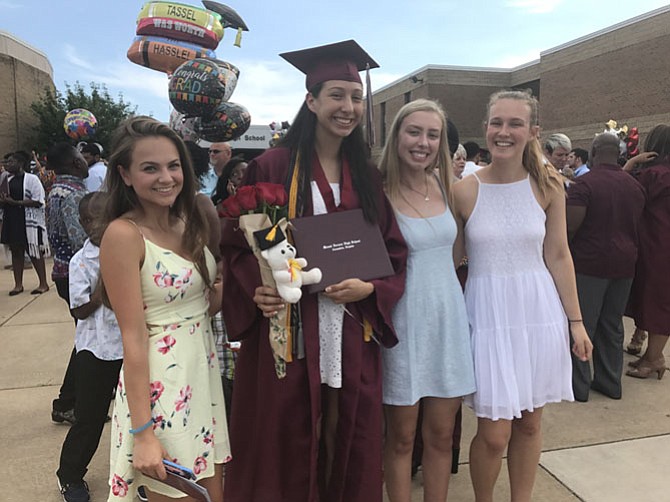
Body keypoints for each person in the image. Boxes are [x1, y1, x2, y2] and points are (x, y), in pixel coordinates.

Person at [220, 40, 407, 502]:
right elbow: (236, 245)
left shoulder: (366, 172)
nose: (348, 107)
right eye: (337, 95)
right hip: (291, 326)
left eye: (356, 97)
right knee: (289, 428)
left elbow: (393, 249)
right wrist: (256, 289)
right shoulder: (274, 165)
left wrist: (372, 286)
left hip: (350, 324)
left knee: (347, 428)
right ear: (311, 101)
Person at [452, 90, 592, 502]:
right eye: (497, 122)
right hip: (489, 317)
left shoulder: (548, 186)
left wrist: (577, 322)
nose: (504, 131)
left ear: (533, 131)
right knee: (494, 433)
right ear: (486, 129)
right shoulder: (464, 190)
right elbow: (451, 259)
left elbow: (559, 254)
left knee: (530, 423)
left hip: (539, 312)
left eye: (515, 124)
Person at [100, 116, 230, 502]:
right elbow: (133, 337)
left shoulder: (186, 220)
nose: (166, 177)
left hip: (201, 378)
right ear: (125, 175)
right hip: (160, 391)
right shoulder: (123, 235)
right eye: (149, 168)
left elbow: (201, 308)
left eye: (173, 166)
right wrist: (143, 434)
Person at [379, 99, 476, 501]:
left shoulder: (448, 188)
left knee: (441, 436)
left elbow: (457, 254)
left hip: (447, 321)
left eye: (432, 135)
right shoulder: (377, 192)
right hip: (403, 325)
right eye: (414, 132)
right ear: (397, 135)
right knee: (401, 439)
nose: (422, 142)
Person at [566, 133, 645, 401]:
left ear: (595, 151)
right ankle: (610, 382)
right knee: (612, 325)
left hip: (589, 265)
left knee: (582, 325)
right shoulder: (635, 186)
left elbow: (570, 226)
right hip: (625, 265)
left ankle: (578, 387)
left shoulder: (583, 184)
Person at [56, 192, 123, 502]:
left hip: (129, 346)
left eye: (113, 216)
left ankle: (138, 474)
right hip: (95, 349)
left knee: (138, 414)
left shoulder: (129, 250)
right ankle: (70, 476)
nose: (108, 224)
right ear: (84, 223)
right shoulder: (81, 261)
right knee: (90, 417)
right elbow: (78, 310)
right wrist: (101, 289)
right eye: (100, 218)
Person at [46, 142, 90, 425]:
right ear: (75, 163)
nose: (86, 162)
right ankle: (66, 402)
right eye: (82, 158)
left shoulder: (56, 191)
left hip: (64, 274)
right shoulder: (73, 195)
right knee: (86, 341)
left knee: (85, 338)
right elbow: (81, 243)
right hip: (78, 276)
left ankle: (76, 396)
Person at [625, 124, 670, 379]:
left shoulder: (654, 175)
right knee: (660, 301)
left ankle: (654, 358)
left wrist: (630, 164)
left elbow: (627, 194)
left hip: (657, 245)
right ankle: (651, 355)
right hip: (662, 244)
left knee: (656, 302)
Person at [0, 150, 50, 295]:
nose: (8, 165)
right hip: (12, 219)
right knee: (16, 251)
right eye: (7, 162)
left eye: (11, 162)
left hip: (28, 220)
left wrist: (15, 202)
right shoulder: (5, 179)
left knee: (33, 251)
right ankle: (18, 285)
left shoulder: (31, 179)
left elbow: (37, 200)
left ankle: (43, 283)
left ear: (21, 164)